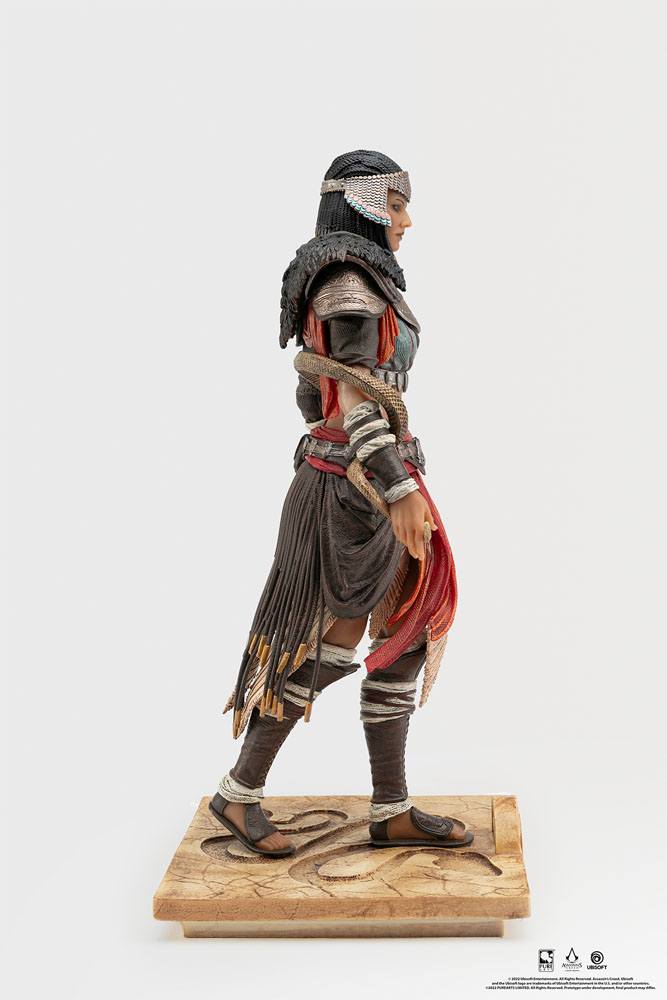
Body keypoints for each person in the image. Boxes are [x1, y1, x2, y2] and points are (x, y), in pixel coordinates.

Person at [209, 150, 473, 857]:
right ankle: (238, 792)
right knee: (331, 641)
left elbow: (312, 393)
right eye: (396, 204)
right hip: (354, 488)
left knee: (407, 632)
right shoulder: (348, 280)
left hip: (372, 477)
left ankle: (391, 808)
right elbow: (351, 397)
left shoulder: (354, 275)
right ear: (363, 204)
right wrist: (396, 488)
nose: (406, 220)